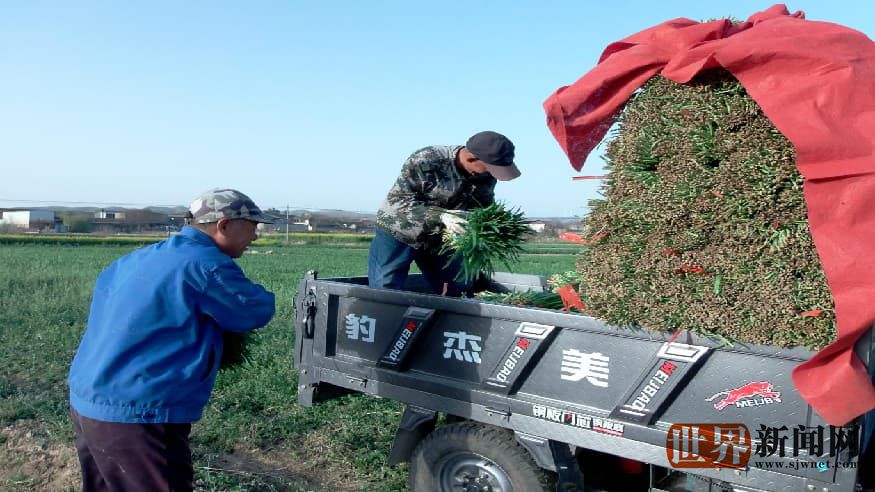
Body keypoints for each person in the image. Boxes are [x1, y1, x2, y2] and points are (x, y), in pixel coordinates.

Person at [67, 188, 276, 492]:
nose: (255, 236)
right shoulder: (205, 264)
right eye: (252, 226)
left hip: (90, 400)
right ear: (224, 225)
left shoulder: (136, 258)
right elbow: (254, 311)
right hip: (139, 413)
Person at [369, 131, 521, 296]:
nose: (492, 174)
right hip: (400, 230)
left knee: (458, 287)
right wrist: (441, 216)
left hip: (442, 237)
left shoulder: (486, 175)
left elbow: (482, 205)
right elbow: (399, 202)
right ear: (471, 158)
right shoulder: (427, 160)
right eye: (491, 168)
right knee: (385, 286)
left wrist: (490, 224)